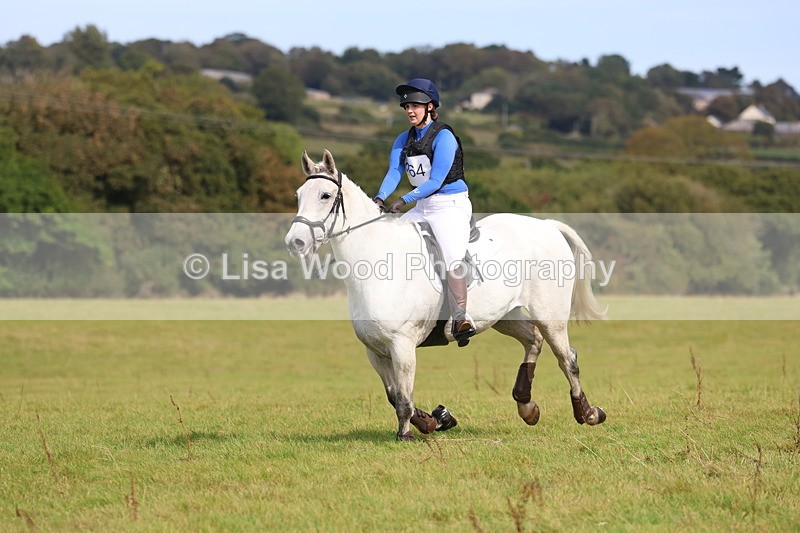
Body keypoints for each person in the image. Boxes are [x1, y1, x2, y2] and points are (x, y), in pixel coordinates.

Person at [373, 78, 476, 342]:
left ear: (430, 107)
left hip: (449, 205)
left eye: (415, 106)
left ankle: (461, 317)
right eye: (406, 106)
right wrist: (380, 197)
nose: (410, 111)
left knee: (452, 256)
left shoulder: (444, 137)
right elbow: (394, 171)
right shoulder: (403, 139)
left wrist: (403, 199)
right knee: (392, 243)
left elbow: (436, 180)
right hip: (423, 205)